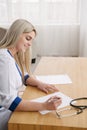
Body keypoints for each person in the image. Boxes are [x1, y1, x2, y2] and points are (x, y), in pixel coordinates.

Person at [0, 19, 62, 130]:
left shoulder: (10, 54)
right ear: (16, 34)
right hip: (4, 114)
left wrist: (39, 83)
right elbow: (10, 102)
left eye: (31, 40)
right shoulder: (5, 60)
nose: (29, 44)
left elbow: (23, 75)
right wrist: (44, 106)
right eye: (28, 38)